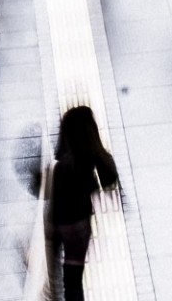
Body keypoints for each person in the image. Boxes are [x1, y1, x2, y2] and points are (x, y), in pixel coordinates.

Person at [48, 105, 120, 301]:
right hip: (80, 227)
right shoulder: (92, 157)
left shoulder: (62, 165)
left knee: (52, 274)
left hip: (59, 225)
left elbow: (49, 195)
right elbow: (110, 178)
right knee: (73, 279)